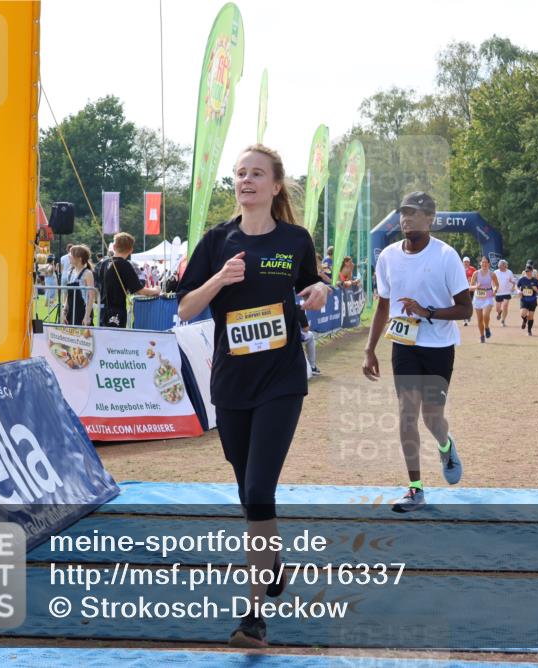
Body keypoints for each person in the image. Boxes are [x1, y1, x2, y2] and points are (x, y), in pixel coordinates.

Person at [176, 144, 330, 648]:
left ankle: (253, 617)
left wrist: (322, 289)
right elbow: (184, 310)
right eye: (240, 173)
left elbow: (313, 286)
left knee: (260, 491)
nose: (246, 180)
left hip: (281, 379)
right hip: (231, 381)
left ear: (275, 185)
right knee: (248, 495)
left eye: (256, 174)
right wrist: (221, 278)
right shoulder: (217, 240)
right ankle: (273, 565)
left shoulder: (295, 239)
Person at [362, 191, 471, 514]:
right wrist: (369, 349)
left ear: (430, 219)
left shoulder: (445, 256)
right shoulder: (388, 257)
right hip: (404, 346)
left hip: (438, 346)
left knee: (431, 417)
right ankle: (415, 489)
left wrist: (428, 312)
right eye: (404, 213)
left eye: (415, 213)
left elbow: (465, 309)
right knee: (407, 413)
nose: (407, 219)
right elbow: (383, 304)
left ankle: (445, 446)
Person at [101, 232, 161, 328]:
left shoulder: (104, 263)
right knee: (116, 341)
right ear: (131, 250)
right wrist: (156, 290)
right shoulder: (124, 265)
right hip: (116, 310)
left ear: (114, 246)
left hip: (103, 310)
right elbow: (139, 290)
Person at [62, 244, 96, 326]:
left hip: (82, 312)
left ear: (79, 259)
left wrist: (87, 316)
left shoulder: (87, 273)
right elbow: (68, 296)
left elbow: (91, 297)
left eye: (71, 255)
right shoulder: (70, 272)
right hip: (71, 312)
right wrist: (64, 311)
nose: (69, 257)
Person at [516, 263, 538, 335]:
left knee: (531, 316)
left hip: (532, 300)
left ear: (532, 271)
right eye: (526, 271)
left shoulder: (535, 280)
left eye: (529, 271)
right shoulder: (522, 279)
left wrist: (535, 289)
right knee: (523, 314)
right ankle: (524, 320)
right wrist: (518, 291)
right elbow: (516, 286)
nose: (528, 273)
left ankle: (529, 330)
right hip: (524, 299)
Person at [493, 259, 515, 327]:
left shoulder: (509, 272)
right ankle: (499, 313)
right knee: (497, 308)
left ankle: (503, 320)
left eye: (502, 265)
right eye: (499, 265)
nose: (500, 266)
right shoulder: (495, 272)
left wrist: (513, 287)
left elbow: (513, 281)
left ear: (505, 265)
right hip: (498, 292)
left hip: (507, 292)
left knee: (505, 305)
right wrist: (494, 289)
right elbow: (493, 282)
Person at [462, 256, 476, 327]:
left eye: (467, 262)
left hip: (471, 288)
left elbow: (477, 277)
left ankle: (468, 315)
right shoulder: (459, 269)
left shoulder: (473, 269)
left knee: (470, 303)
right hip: (462, 289)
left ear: (469, 262)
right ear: (463, 262)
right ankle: (465, 319)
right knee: (464, 303)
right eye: (465, 262)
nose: (466, 263)